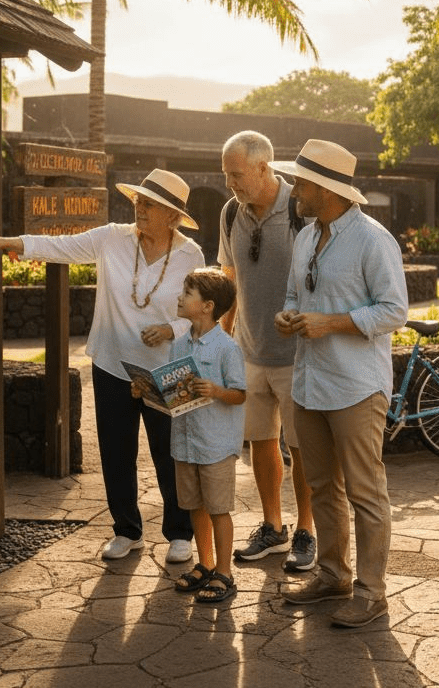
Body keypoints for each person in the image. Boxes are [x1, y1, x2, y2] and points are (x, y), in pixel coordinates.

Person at [0, 169, 204, 564]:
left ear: (174, 216)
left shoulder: (191, 255)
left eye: (150, 204)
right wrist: (4, 242)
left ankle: (180, 533)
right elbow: (61, 246)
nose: (139, 208)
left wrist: (171, 329)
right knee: (116, 452)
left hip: (171, 368)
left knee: (173, 453)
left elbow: (198, 311)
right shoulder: (111, 237)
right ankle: (126, 531)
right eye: (139, 201)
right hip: (112, 363)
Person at [272, 139, 408, 628]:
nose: (293, 191)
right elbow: (294, 294)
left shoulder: (373, 240)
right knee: (321, 486)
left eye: (301, 183)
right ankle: (333, 577)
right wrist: (288, 316)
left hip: (356, 387)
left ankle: (372, 594)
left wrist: (330, 323)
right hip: (310, 382)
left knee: (365, 493)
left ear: (326, 189)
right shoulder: (306, 236)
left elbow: (394, 311)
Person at [217, 130, 317, 572]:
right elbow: (229, 278)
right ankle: (273, 527)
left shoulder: (301, 207)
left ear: (263, 168)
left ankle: (307, 530)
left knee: (302, 447)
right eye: (226, 174)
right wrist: (222, 340)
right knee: (260, 442)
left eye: (236, 174)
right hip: (249, 352)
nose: (230, 183)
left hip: (298, 356)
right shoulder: (229, 213)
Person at [151, 268, 246, 603]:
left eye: (187, 293)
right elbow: (174, 395)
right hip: (185, 442)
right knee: (194, 506)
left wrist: (217, 391)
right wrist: (148, 391)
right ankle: (205, 564)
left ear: (207, 306)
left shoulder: (227, 348)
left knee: (218, 509)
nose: (179, 298)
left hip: (215, 445)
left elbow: (240, 394)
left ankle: (225, 573)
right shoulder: (178, 345)